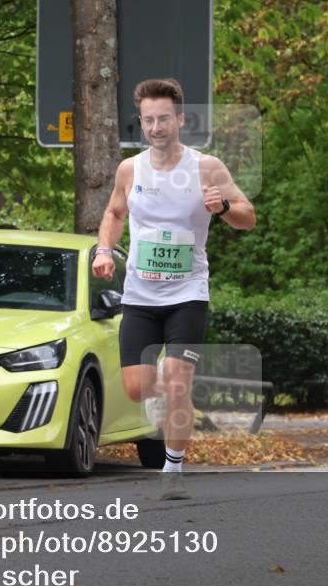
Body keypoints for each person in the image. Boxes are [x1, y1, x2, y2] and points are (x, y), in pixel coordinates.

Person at [92, 78, 256, 498]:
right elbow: (113, 212)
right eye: (148, 120)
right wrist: (103, 250)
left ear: (181, 119)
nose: (156, 127)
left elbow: (247, 216)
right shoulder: (131, 169)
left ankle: (173, 471)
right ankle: (179, 397)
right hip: (141, 296)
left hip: (187, 294)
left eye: (164, 118)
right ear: (141, 123)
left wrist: (221, 207)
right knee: (136, 387)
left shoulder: (206, 167)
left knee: (177, 382)